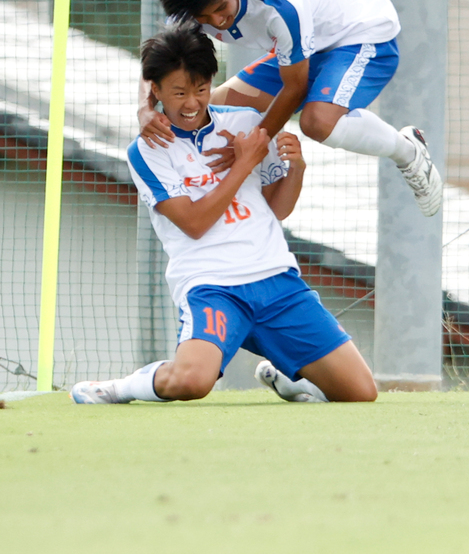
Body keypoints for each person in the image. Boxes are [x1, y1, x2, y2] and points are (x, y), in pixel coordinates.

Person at [72, 21, 377, 405]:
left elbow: (277, 209)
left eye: (200, 89)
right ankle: (123, 387)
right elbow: (195, 223)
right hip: (212, 286)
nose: (191, 103)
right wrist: (243, 163)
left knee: (360, 393)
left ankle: (292, 380)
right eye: (179, 92)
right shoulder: (147, 150)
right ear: (155, 90)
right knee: (191, 383)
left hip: (276, 281)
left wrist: (296, 168)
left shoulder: (245, 123)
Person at [136, 0, 442, 217]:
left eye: (221, 9)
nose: (217, 22)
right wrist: (145, 107)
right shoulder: (188, 7)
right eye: (205, 18)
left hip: (359, 36)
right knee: (213, 108)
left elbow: (294, 88)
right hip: (301, 48)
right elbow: (163, 56)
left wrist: (251, 149)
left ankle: (407, 148)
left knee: (317, 123)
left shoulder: (280, 8)